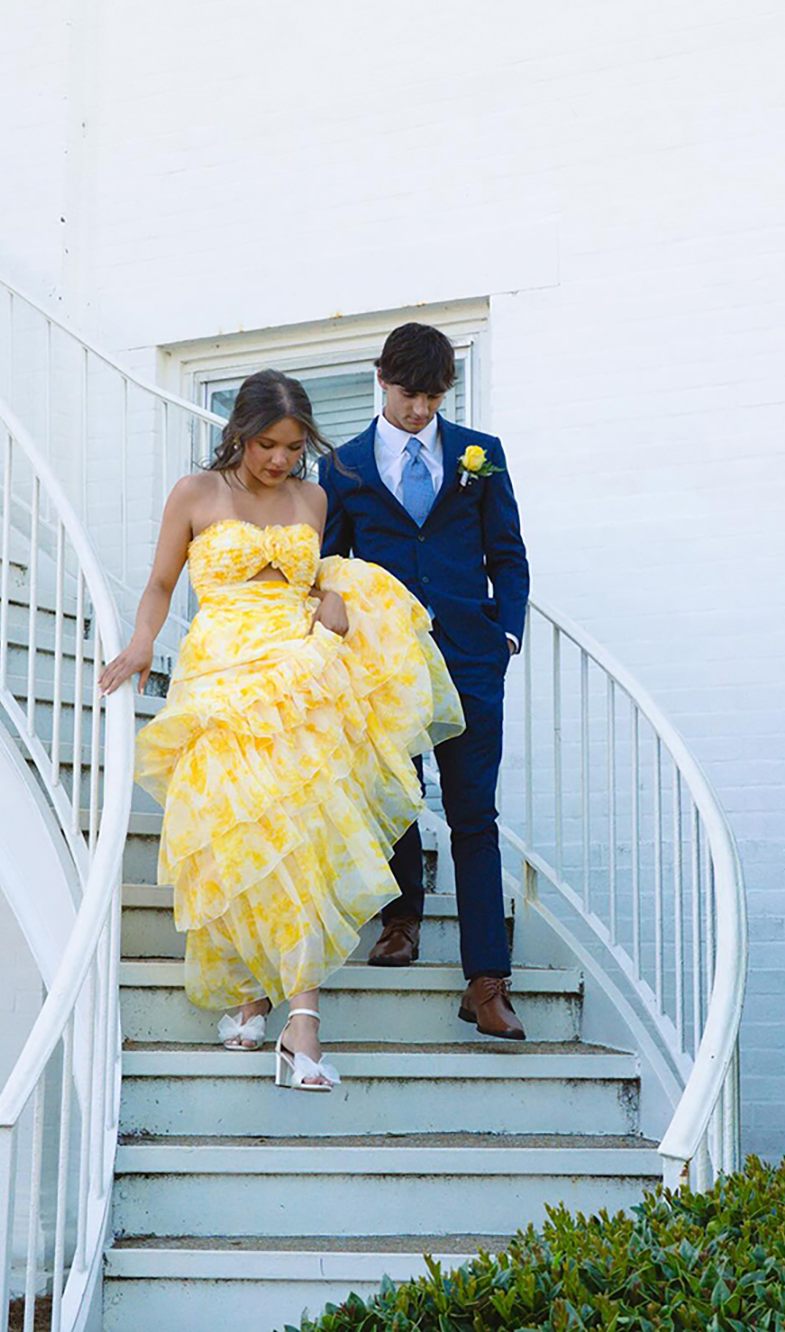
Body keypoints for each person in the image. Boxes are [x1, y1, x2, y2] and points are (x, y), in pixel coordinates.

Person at [99, 369, 463, 1092]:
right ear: (240, 432)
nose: (280, 460)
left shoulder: (313, 497)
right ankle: (249, 991)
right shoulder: (195, 493)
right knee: (236, 833)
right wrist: (141, 643)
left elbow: (306, 576)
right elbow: (163, 583)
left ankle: (303, 1023)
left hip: (300, 672)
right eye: (268, 444)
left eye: (294, 447)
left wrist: (330, 594)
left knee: (300, 832)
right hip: (220, 673)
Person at [319, 324, 530, 1040]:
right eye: (410, 395)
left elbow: (508, 552)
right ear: (382, 378)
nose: (421, 410)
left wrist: (506, 633)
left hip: (470, 656)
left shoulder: (482, 454)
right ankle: (400, 922)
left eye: (435, 397)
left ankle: (487, 981)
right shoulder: (342, 467)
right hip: (385, 662)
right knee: (396, 797)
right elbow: (329, 564)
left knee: (474, 815)